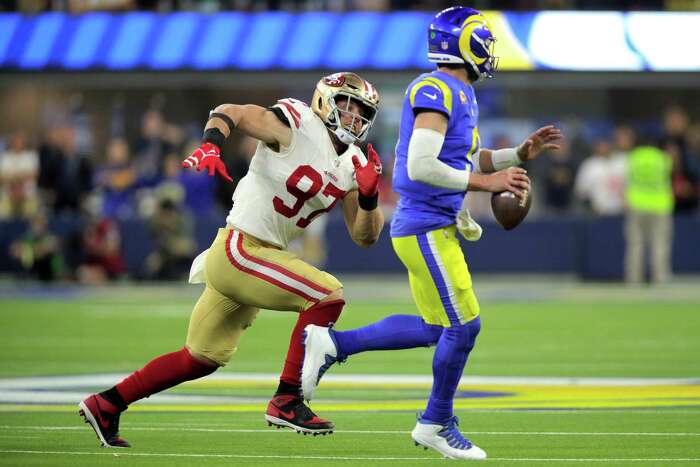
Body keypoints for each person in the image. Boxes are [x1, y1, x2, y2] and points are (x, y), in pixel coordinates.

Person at [301, 7, 562, 461]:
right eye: (483, 39)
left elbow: (467, 159)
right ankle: (435, 421)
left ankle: (333, 343)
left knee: (435, 328)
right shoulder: (436, 87)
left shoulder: (457, 92)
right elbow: (422, 166)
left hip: (428, 225)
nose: (489, 49)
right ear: (463, 42)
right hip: (426, 225)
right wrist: (489, 185)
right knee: (465, 327)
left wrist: (518, 153)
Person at [78, 71, 384, 448]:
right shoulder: (299, 122)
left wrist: (370, 198)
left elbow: (364, 236)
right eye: (346, 105)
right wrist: (211, 143)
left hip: (260, 257)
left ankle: (107, 403)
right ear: (324, 100)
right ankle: (287, 399)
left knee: (201, 357)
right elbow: (231, 111)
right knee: (327, 295)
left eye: (362, 111)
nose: (354, 116)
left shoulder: (355, 162)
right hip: (240, 248)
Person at [625, 139, 674, 284]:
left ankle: (634, 279)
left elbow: (627, 179)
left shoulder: (633, 157)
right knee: (659, 243)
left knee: (635, 243)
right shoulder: (663, 158)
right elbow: (668, 176)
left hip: (637, 203)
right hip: (660, 204)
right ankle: (660, 278)